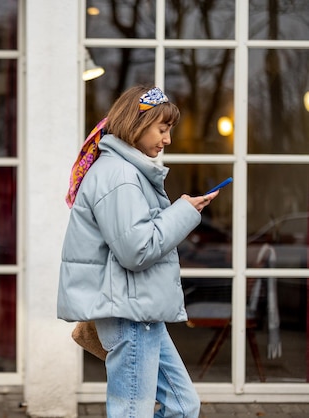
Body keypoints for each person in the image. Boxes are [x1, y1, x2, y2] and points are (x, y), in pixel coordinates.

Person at [57, 85, 218, 418]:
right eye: (163, 128)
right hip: (130, 314)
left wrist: (183, 209)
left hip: (140, 312)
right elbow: (137, 250)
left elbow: (135, 236)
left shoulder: (126, 173)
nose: (167, 139)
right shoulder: (121, 176)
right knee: (133, 411)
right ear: (136, 124)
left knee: (183, 406)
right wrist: (184, 212)